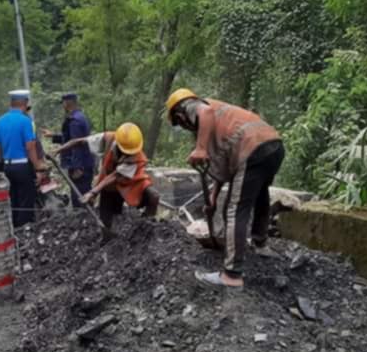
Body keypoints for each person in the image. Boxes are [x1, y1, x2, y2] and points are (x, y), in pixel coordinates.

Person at [166, 89, 284, 289]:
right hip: (273, 145)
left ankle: (231, 275)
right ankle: (260, 244)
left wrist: (201, 148)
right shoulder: (222, 120)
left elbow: (205, 112)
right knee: (260, 195)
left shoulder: (193, 107)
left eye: (181, 124)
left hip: (252, 148)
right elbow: (224, 167)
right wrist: (212, 197)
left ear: (180, 116)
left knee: (235, 209)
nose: (186, 129)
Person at [58, 123, 158, 242]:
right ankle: (107, 241)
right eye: (125, 151)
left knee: (153, 197)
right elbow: (81, 141)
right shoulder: (109, 138)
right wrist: (59, 149)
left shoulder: (136, 157)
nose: (128, 154)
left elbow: (115, 175)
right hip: (109, 186)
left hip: (132, 182)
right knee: (106, 224)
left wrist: (92, 193)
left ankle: (144, 231)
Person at [0, 89, 47, 227]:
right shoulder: (25, 121)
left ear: (11, 103)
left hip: (6, 166)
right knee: (26, 198)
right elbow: (30, 147)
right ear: (24, 103)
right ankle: (25, 228)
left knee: (12, 198)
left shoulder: (0, 121)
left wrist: (0, 165)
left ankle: (13, 228)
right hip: (22, 166)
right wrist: (37, 166)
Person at [44, 92, 95, 207]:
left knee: (80, 200)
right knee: (82, 195)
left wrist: (77, 168)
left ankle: (84, 221)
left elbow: (75, 144)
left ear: (67, 103)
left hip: (80, 166)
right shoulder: (80, 116)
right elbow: (71, 138)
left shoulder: (74, 121)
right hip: (84, 163)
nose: (63, 105)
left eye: (63, 103)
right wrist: (53, 136)